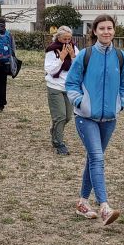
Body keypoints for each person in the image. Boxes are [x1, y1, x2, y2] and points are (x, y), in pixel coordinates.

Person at [64, 14, 124, 226]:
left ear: (114, 30)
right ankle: (104, 207)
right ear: (94, 31)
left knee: (94, 159)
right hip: (86, 118)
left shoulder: (121, 57)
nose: (106, 32)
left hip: (109, 119)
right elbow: (71, 83)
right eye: (102, 28)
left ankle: (82, 203)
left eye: (109, 28)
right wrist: (80, 103)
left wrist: (120, 104)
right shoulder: (85, 55)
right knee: (97, 158)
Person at [44, 26, 79, 155]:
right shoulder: (51, 50)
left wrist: (73, 56)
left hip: (69, 87)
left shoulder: (74, 48)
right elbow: (50, 70)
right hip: (55, 86)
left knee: (68, 117)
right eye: (65, 39)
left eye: (69, 39)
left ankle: (55, 131)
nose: (67, 41)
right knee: (60, 116)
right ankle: (59, 143)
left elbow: (79, 68)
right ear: (58, 37)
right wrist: (61, 58)